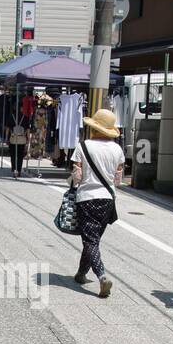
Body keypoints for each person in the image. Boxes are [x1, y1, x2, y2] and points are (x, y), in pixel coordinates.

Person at [70, 107, 124, 300]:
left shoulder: (83, 146)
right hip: (108, 200)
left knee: (90, 240)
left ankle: (102, 276)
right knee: (93, 239)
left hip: (87, 198)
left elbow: (77, 177)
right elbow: (118, 180)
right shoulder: (117, 149)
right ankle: (81, 274)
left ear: (94, 127)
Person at [8, 113, 29, 179]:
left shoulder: (11, 116)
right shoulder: (25, 117)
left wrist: (6, 138)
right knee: (20, 155)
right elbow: (27, 128)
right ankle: (19, 170)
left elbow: (8, 128)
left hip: (13, 138)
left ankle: (14, 169)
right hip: (22, 139)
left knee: (13, 155)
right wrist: (28, 138)